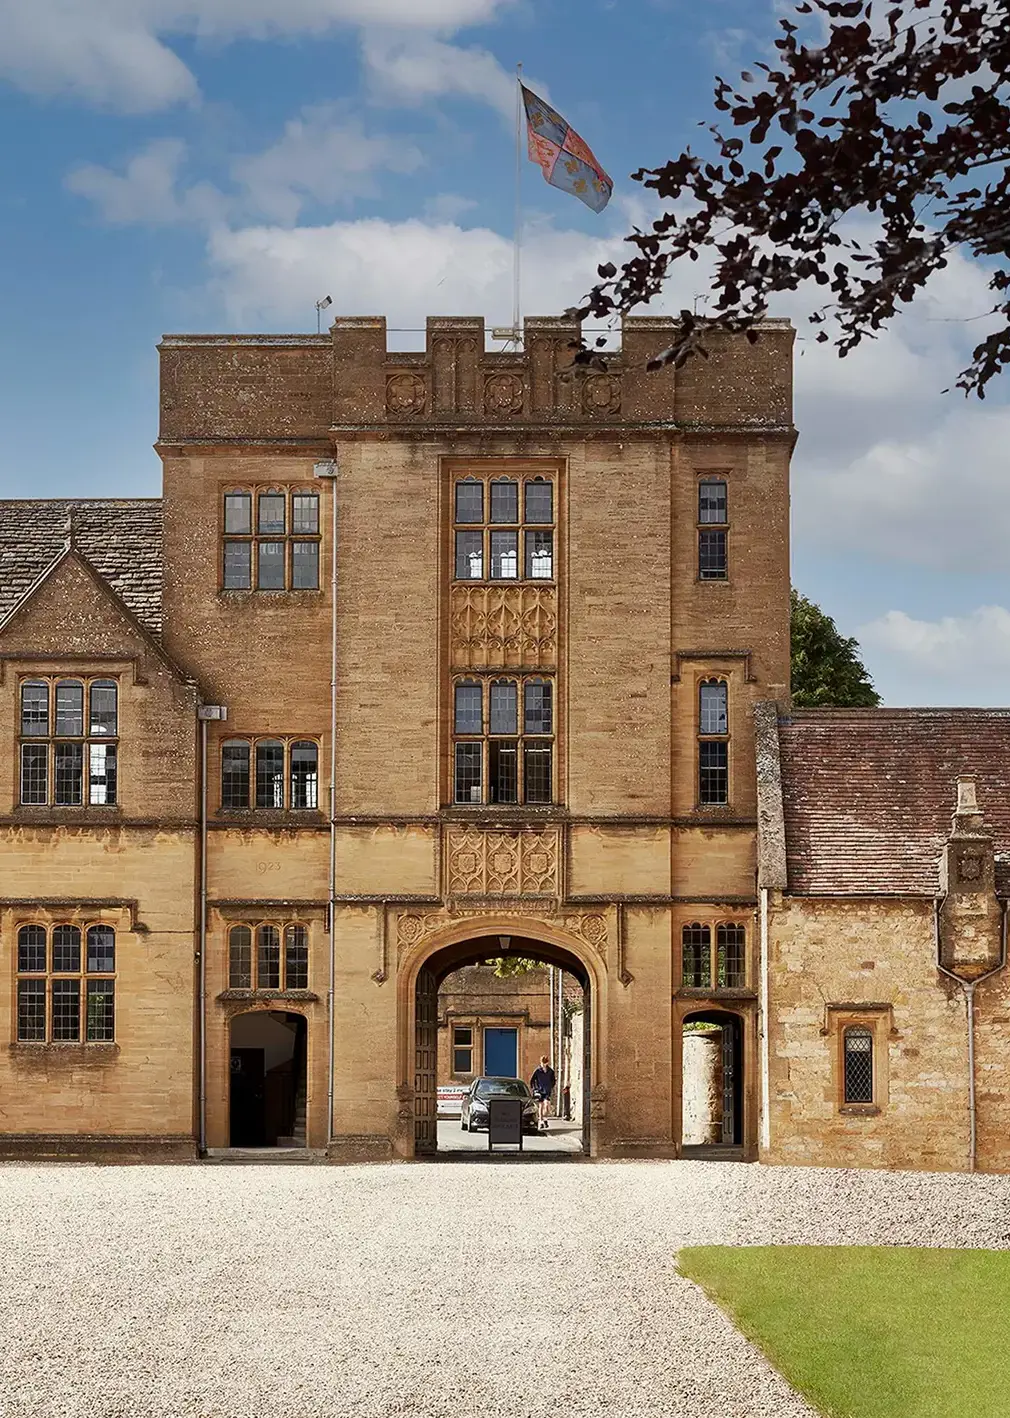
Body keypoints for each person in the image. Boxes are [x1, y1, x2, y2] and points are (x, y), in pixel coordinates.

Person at [530, 1056, 556, 1131]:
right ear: (541, 1062)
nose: (544, 1064)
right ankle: (541, 1121)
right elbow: (532, 1081)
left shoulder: (550, 1071)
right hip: (540, 1090)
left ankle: (545, 1118)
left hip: (547, 1090)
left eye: (545, 1063)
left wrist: (551, 1086)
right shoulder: (538, 1071)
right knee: (541, 1106)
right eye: (543, 1063)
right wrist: (535, 1089)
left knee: (547, 1105)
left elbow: (553, 1080)